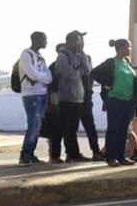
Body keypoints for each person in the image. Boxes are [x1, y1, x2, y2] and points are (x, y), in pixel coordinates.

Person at [90, 39, 137, 167]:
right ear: (120, 48)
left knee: (123, 130)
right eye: (128, 47)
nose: (130, 49)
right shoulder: (111, 62)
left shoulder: (127, 62)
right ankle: (111, 157)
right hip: (115, 99)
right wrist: (106, 84)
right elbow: (94, 73)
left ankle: (121, 157)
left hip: (128, 101)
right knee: (113, 129)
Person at [17, 32, 52, 165]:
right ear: (36, 40)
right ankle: (25, 154)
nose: (46, 42)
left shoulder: (40, 57)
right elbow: (31, 73)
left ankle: (30, 154)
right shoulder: (26, 54)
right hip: (31, 95)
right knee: (33, 124)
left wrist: (40, 78)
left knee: (37, 126)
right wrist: (41, 78)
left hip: (42, 94)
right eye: (44, 39)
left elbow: (49, 77)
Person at [54, 31, 89, 162]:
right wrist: (79, 70)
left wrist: (82, 55)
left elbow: (87, 70)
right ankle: (61, 155)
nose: (80, 44)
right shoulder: (62, 56)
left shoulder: (79, 55)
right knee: (64, 128)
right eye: (78, 41)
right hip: (66, 97)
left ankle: (73, 154)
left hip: (78, 97)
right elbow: (69, 74)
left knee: (73, 128)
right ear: (70, 41)